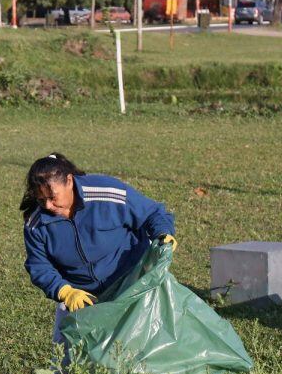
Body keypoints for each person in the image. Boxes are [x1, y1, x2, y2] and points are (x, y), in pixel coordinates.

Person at [20, 153, 176, 361]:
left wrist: (163, 233)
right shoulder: (36, 224)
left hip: (130, 283)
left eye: (52, 197)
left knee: (144, 349)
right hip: (81, 296)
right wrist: (65, 291)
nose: (47, 206)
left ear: (69, 181)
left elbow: (151, 213)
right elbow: (39, 265)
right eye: (41, 199)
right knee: (67, 361)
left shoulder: (107, 193)